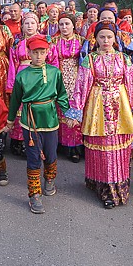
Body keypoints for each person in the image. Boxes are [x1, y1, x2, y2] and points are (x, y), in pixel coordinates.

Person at [65, 22, 133, 209]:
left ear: (115, 38)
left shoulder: (124, 59)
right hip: (98, 107)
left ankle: (117, 184)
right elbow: (81, 86)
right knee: (101, 145)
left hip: (120, 106)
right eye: (102, 37)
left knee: (117, 147)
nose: (106, 40)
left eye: (109, 37)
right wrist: (76, 112)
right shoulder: (90, 59)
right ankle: (101, 184)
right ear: (96, 39)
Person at [6, 34, 69, 214]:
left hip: (50, 120)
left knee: (50, 155)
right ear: (28, 52)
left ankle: (49, 179)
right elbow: (15, 100)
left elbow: (62, 95)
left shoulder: (54, 72)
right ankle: (34, 194)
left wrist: (69, 113)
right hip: (30, 121)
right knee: (33, 158)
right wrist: (11, 121)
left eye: (42, 52)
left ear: (47, 52)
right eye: (35, 52)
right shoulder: (22, 75)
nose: (39, 56)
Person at [6, 12, 58, 155]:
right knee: (23, 108)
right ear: (22, 26)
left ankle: (42, 140)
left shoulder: (46, 42)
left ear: (38, 25)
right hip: (23, 78)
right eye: (26, 23)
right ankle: (23, 141)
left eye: (32, 23)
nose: (29, 26)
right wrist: (12, 85)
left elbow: (54, 61)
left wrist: (52, 81)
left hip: (41, 77)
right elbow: (13, 64)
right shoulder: (17, 44)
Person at [52, 14, 83, 162]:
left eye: (67, 24)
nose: (64, 27)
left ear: (73, 25)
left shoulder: (82, 41)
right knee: (60, 110)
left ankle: (75, 147)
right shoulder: (53, 41)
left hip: (76, 78)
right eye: (61, 24)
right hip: (59, 77)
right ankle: (60, 145)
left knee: (74, 110)